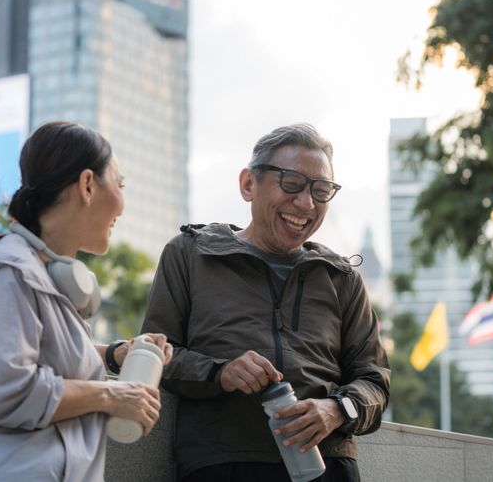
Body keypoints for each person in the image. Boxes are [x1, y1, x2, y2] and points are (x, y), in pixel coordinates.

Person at [141, 123, 390, 482]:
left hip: (328, 467)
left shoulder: (341, 277)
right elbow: (155, 356)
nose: (305, 204)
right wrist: (219, 372)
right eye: (291, 183)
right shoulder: (190, 254)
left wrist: (336, 409)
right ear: (248, 184)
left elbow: (375, 381)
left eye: (320, 191)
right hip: (221, 466)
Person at [0, 121, 172, 481]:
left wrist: (114, 354)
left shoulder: (36, 275)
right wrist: (111, 396)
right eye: (120, 184)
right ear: (87, 185)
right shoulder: (7, 274)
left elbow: (47, 350)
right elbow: (6, 390)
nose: (123, 206)